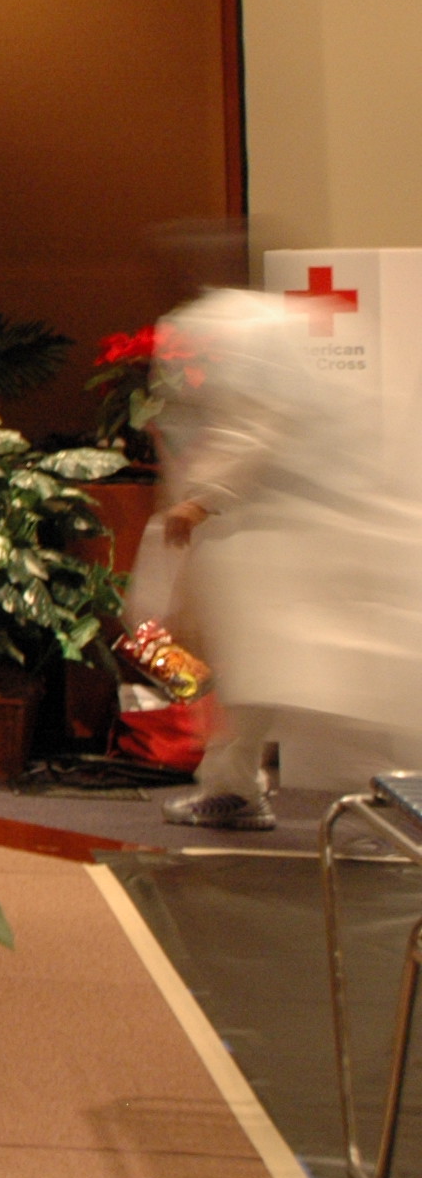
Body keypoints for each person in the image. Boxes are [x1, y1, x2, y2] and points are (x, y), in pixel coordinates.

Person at [147, 276, 422, 830]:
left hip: (293, 532)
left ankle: (397, 813)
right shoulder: (253, 329)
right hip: (260, 529)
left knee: (325, 686)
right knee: (239, 668)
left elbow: (257, 428)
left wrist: (200, 501)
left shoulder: (246, 331)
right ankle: (232, 786)